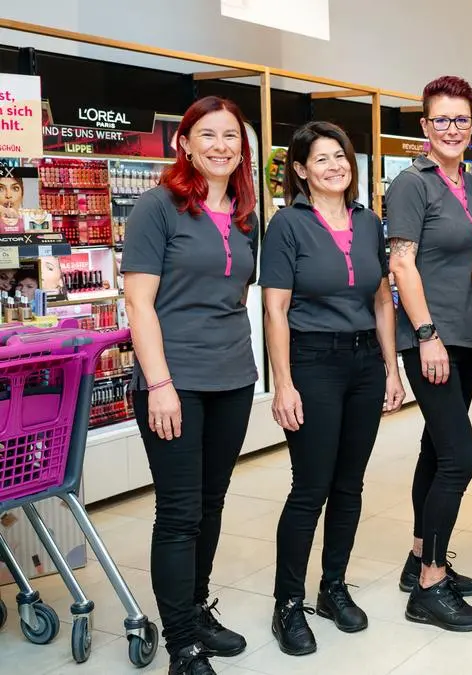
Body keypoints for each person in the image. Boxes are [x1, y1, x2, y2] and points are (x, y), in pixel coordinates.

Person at [122, 96, 260, 675]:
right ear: (185, 142)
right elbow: (138, 302)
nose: (221, 145)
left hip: (232, 378)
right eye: (208, 134)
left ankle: (197, 609)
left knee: (211, 503)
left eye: (231, 135)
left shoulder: (249, 213)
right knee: (179, 513)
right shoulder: (158, 208)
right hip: (172, 381)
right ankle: (182, 644)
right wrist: (159, 384)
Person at [260, 121, 405, 656]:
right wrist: (285, 384)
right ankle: (287, 604)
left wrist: (391, 369)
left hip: (366, 362)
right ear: (300, 170)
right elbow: (275, 309)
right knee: (310, 488)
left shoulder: (369, 223)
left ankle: (333, 587)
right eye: (321, 159)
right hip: (313, 362)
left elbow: (382, 300)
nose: (334, 166)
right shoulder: (287, 226)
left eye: (340, 156)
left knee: (350, 485)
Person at [385, 75, 472, 632]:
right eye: (442, 119)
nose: (452, 129)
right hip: (432, 339)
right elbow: (402, 264)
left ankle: (420, 555)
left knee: (434, 448)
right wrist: (426, 334)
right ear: (425, 127)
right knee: (460, 457)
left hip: (467, 337)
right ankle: (430, 584)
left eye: (462, 119)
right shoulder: (411, 183)